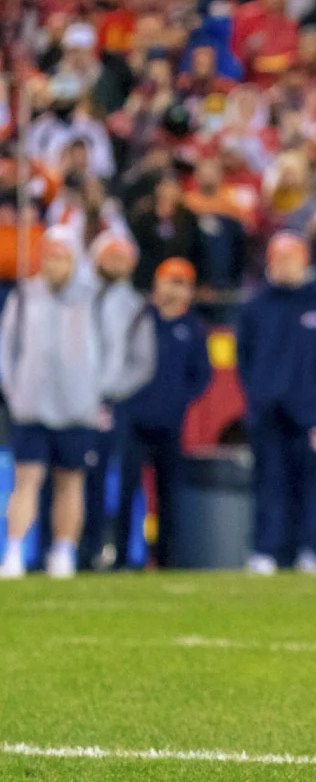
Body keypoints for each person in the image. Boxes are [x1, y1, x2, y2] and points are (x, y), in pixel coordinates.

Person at [2, 229, 125, 578]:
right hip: (31, 406)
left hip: (77, 408)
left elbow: (112, 350)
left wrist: (97, 392)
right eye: (49, 256)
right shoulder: (24, 296)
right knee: (26, 478)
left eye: (61, 257)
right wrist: (14, 391)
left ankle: (63, 551)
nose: (53, 264)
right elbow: (6, 348)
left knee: (70, 481)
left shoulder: (94, 297)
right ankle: (14, 550)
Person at [237, 232, 316, 575]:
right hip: (269, 412)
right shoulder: (256, 306)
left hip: (311, 414)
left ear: (305, 260)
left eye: (291, 257)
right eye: (279, 258)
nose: (285, 265)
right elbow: (245, 359)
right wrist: (259, 396)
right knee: (268, 484)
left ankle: (310, 549)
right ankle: (266, 550)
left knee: (311, 485)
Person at [117, 259, 214, 569]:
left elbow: (202, 375)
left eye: (182, 283)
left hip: (170, 423)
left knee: (169, 494)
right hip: (133, 420)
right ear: (156, 283)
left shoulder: (193, 328)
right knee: (126, 492)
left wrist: (178, 400)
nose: (174, 290)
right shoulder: (138, 319)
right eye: (170, 281)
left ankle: (165, 558)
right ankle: (121, 556)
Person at [83, 232, 158, 570]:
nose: (118, 263)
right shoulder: (75, 295)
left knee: (119, 478)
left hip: (117, 403)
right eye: (112, 255)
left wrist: (112, 391)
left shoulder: (135, 304)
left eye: (123, 258)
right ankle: (72, 549)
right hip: (72, 402)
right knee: (74, 477)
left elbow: (142, 360)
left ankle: (118, 552)